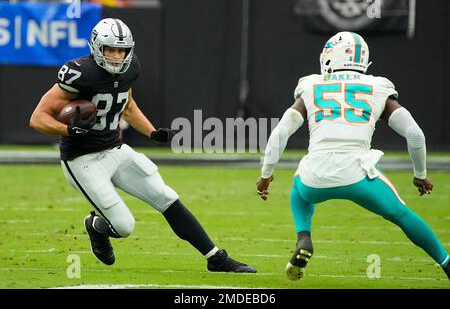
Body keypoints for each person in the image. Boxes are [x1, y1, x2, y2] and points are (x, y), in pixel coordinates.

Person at [30, 18, 256, 273]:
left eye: (121, 50)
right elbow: (37, 118)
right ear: (96, 48)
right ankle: (96, 226)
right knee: (124, 226)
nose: (116, 56)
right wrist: (69, 129)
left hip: (114, 149)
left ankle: (215, 258)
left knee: (166, 197)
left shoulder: (130, 69)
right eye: (110, 50)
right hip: (81, 159)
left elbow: (127, 106)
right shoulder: (81, 74)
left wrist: (152, 132)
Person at [256, 31, 449, 282]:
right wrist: (420, 175)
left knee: (298, 188)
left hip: (315, 177)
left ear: (330, 56)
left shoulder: (311, 84)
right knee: (402, 215)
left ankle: (303, 237)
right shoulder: (378, 87)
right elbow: (414, 134)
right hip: (358, 175)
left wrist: (266, 174)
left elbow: (281, 132)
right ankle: (446, 262)